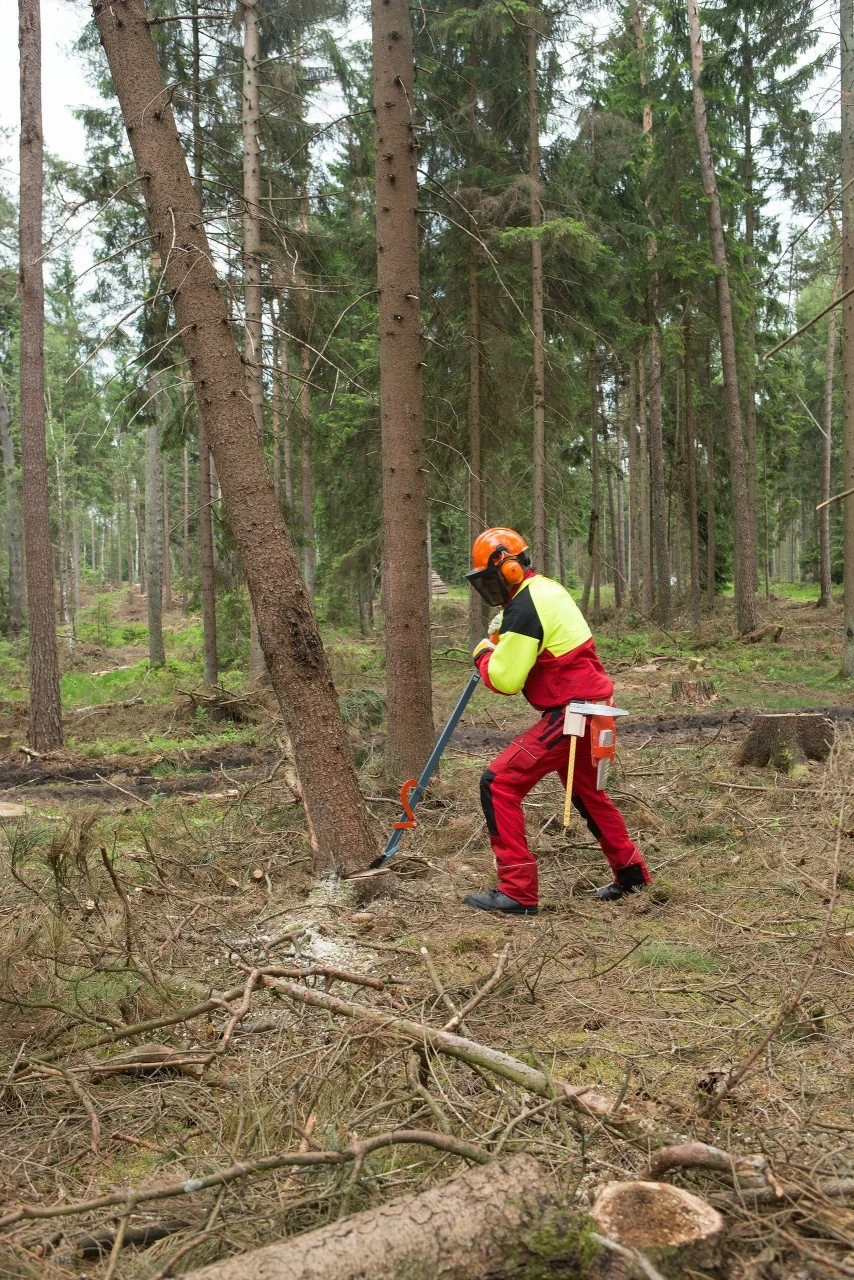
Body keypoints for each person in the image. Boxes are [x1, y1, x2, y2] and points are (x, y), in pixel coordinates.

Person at [464, 527, 652, 916]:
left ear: (510, 569)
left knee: (498, 783)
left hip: (573, 713)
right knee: (588, 794)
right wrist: (502, 637)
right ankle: (632, 874)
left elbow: (505, 679)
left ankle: (517, 891)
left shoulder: (525, 605)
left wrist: (484, 653)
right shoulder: (544, 590)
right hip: (594, 707)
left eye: (491, 579)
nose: (491, 589)